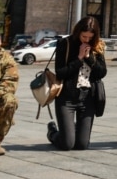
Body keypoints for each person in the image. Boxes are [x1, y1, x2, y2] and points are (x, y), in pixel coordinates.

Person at [46, 17, 108, 151]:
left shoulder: (98, 45)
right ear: (78, 32)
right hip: (66, 97)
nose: (86, 40)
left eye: (90, 37)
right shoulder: (65, 43)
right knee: (67, 144)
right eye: (84, 36)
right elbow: (61, 72)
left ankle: (71, 130)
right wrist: (79, 58)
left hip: (88, 98)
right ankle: (53, 133)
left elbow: (102, 72)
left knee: (82, 145)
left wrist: (89, 58)